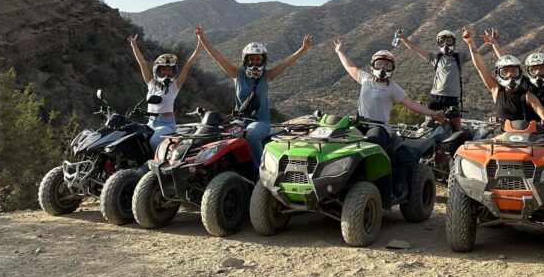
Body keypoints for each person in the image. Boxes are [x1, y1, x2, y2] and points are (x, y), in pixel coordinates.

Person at [332, 40, 441, 195]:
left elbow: (410, 103)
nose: (383, 68)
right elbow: (350, 66)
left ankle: (374, 185)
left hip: (380, 127)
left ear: (392, 68)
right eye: (380, 64)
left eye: (387, 65)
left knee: (372, 144)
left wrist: (432, 114)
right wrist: (340, 51)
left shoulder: (392, 87)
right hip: (360, 123)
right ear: (373, 65)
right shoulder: (365, 78)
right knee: (339, 140)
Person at [195, 25, 313, 168]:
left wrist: (303, 49)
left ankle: (261, 171)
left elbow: (286, 63)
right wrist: (202, 39)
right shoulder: (237, 74)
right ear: (245, 60)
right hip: (238, 121)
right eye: (251, 59)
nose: (255, 63)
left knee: (251, 135)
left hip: (261, 121)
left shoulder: (266, 76)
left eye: (258, 59)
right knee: (219, 134)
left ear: (263, 60)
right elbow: (218, 57)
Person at [395, 28, 492, 131]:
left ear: (454, 42)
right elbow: (415, 49)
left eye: (448, 41)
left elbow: (477, 53)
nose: (446, 44)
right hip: (435, 97)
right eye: (442, 41)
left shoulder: (460, 57)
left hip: (452, 98)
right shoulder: (435, 57)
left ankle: (458, 144)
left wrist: (489, 42)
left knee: (457, 127)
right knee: (429, 126)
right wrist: (403, 38)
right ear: (439, 44)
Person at [462, 28, 544, 125]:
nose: (510, 75)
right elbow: (480, 68)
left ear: (520, 73)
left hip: (527, 137)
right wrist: (471, 44)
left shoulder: (528, 96)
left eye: (514, 71)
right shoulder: (496, 90)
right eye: (505, 72)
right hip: (506, 137)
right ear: (499, 74)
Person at [126, 34, 201, 150]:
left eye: (170, 69)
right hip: (150, 123)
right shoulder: (151, 83)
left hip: (167, 125)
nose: (167, 71)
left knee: (154, 141)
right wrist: (134, 45)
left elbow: (187, 66)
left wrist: (199, 47)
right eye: (164, 68)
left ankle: (157, 165)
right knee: (134, 140)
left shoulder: (175, 86)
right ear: (158, 70)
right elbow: (142, 63)